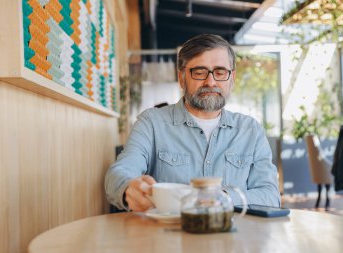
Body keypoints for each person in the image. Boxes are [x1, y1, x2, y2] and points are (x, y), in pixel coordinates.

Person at [105, 34, 281, 212]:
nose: (210, 82)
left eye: (220, 73)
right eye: (199, 72)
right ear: (182, 78)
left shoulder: (250, 130)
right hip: (168, 237)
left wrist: (221, 198)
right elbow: (119, 172)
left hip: (235, 236)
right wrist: (129, 188)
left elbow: (270, 196)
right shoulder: (152, 123)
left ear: (232, 78)